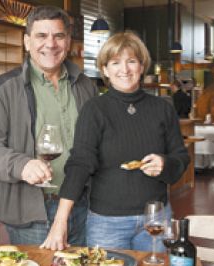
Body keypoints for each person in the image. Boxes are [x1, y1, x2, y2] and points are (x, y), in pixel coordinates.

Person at [41, 31, 190, 251]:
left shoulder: (163, 109)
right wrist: (60, 220)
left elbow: (181, 159)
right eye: (115, 62)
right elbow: (80, 163)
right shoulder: (95, 110)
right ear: (105, 70)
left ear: (141, 66)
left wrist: (165, 164)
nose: (125, 69)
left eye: (131, 61)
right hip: (106, 223)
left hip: (156, 218)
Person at [0, 5, 98, 245]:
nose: (50, 44)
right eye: (41, 36)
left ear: (68, 42)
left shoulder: (85, 85)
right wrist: (22, 165)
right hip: (31, 210)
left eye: (58, 36)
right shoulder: (1, 90)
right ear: (27, 42)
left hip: (82, 203)